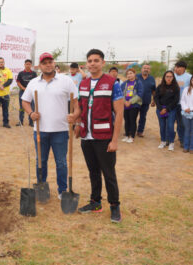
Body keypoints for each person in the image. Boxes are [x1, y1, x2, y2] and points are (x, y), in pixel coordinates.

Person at [73, 49, 124, 223]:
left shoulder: (113, 83)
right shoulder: (84, 84)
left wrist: (115, 140)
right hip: (87, 137)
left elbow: (119, 112)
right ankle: (95, 202)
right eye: (90, 61)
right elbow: (80, 107)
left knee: (108, 173)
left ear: (103, 62)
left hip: (104, 137)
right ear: (86, 64)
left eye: (96, 60)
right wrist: (76, 121)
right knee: (93, 171)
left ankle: (115, 206)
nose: (92, 63)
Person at [21, 52, 79, 199]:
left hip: (60, 130)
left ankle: (62, 190)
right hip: (40, 131)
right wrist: (31, 113)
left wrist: (75, 115)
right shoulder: (33, 83)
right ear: (40, 66)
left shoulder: (66, 81)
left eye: (50, 62)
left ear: (54, 63)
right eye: (44, 62)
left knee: (61, 162)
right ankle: (42, 187)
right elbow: (25, 101)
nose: (48, 64)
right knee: (41, 161)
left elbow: (77, 104)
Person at [155, 71, 180, 151]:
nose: (169, 78)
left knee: (170, 126)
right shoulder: (160, 86)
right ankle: (163, 141)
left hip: (171, 110)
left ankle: (171, 143)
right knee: (162, 126)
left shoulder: (176, 87)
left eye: (170, 77)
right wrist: (160, 108)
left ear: (173, 78)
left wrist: (167, 109)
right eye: (167, 76)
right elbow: (156, 98)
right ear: (164, 77)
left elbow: (176, 100)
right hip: (160, 109)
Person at [120, 68, 143, 143]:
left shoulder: (138, 83)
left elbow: (140, 94)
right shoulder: (124, 83)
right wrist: (124, 102)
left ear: (134, 74)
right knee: (126, 121)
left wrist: (130, 102)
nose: (129, 75)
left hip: (134, 105)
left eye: (131, 73)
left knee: (132, 120)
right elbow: (120, 94)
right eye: (128, 74)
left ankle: (132, 136)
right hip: (125, 105)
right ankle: (127, 135)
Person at [174, 61, 192, 147]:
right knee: (170, 122)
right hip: (172, 103)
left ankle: (182, 140)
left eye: (177, 67)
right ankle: (168, 138)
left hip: (183, 104)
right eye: (175, 67)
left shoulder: (189, 77)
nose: (175, 69)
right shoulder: (172, 75)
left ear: (183, 68)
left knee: (181, 123)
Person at [136, 63, 156, 137]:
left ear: (149, 70)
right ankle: (130, 130)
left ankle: (140, 131)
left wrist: (154, 100)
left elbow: (154, 90)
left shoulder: (152, 79)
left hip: (146, 101)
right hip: (135, 101)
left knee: (143, 117)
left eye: (148, 68)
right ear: (141, 69)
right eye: (144, 68)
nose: (146, 70)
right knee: (133, 116)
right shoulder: (136, 77)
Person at [16, 59, 38, 126]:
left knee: (31, 107)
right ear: (24, 65)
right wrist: (23, 88)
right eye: (26, 64)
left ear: (31, 65)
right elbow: (18, 82)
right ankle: (20, 121)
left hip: (31, 93)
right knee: (22, 107)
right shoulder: (21, 73)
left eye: (29, 64)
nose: (28, 65)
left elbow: (36, 82)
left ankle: (31, 122)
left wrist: (30, 89)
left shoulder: (34, 73)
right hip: (23, 92)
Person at [181, 75, 193, 153]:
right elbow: (182, 100)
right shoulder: (186, 89)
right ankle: (186, 146)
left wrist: (191, 109)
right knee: (187, 130)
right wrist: (185, 108)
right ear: (191, 81)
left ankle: (192, 148)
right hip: (185, 112)